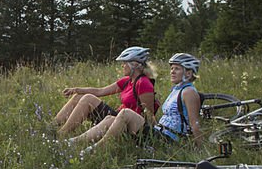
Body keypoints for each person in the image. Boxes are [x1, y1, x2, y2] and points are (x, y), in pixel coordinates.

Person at [75, 52, 204, 152]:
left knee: (126, 113)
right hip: (159, 132)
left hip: (169, 140)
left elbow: (194, 122)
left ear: (188, 72)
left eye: (177, 69)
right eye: (171, 68)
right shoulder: (177, 90)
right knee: (110, 118)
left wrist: (200, 149)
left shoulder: (189, 92)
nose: (172, 72)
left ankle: (96, 149)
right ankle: (74, 142)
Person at [55, 46, 158, 139]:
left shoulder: (143, 83)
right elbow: (100, 91)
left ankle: (62, 135)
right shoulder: (127, 80)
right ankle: (53, 127)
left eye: (124, 63)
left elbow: (149, 114)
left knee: (88, 99)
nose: (122, 66)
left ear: (134, 65)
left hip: (126, 122)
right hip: (117, 115)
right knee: (78, 96)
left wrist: (151, 135)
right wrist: (76, 90)